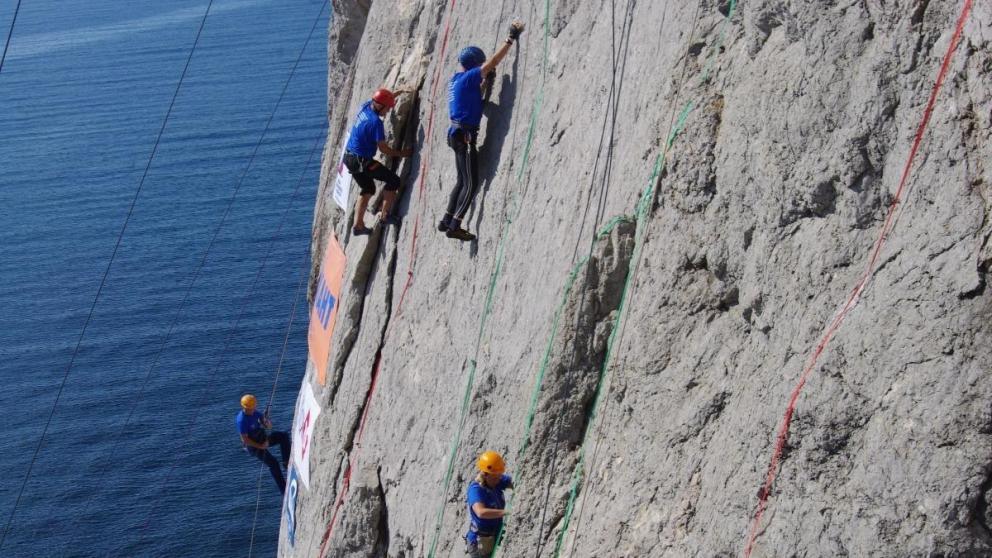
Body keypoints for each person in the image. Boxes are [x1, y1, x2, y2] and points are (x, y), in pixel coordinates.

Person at [439, 21, 525, 241]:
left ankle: (447, 218)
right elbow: (494, 61)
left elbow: (474, 95)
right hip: (465, 136)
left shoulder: (457, 80)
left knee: (461, 180)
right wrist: (511, 38)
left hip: (456, 134)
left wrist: (486, 82)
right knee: (471, 183)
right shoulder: (469, 78)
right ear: (476, 65)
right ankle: (455, 226)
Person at [343, 88, 414, 236]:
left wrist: (397, 93)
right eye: (387, 108)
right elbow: (384, 149)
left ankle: (358, 226)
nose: (388, 111)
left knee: (368, 188)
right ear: (381, 106)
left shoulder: (366, 106)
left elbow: (381, 100)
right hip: (362, 161)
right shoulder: (376, 123)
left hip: (350, 158)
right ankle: (385, 217)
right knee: (393, 180)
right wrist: (402, 154)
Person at [236, 394, 291, 494]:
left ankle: (286, 462)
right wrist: (260, 446)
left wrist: (267, 423)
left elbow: (268, 425)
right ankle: (284, 490)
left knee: (283, 436)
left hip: (262, 440)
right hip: (254, 447)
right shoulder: (241, 420)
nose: (253, 410)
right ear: (244, 408)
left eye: (254, 407)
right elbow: (245, 440)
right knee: (273, 463)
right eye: (251, 408)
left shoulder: (255, 413)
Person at [464, 450, 514, 557]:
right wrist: (506, 512)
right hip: (480, 542)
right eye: (496, 476)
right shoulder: (476, 490)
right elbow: (481, 512)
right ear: (485, 474)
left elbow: (512, 482)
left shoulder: (496, 480)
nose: (499, 478)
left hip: (494, 535)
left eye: (499, 475)